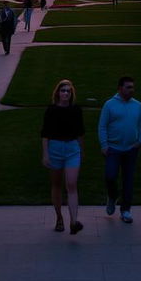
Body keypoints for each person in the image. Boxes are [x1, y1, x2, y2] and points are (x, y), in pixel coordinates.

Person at [98, 75, 141, 224]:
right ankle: (112, 196)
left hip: (131, 149)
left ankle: (125, 210)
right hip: (113, 148)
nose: (132, 90)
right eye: (128, 87)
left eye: (132, 87)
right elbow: (102, 126)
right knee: (110, 176)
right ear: (120, 88)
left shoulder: (137, 105)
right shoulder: (109, 105)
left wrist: (140, 141)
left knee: (128, 180)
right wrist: (104, 145)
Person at [41, 79, 85, 235]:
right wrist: (45, 153)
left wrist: (81, 151)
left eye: (68, 91)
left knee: (72, 184)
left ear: (71, 94)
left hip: (72, 148)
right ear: (58, 93)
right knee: (56, 185)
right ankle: (59, 217)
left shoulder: (76, 110)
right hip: (55, 149)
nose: (65, 93)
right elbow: (45, 134)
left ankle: (73, 221)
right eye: (63, 90)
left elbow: (80, 133)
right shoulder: (51, 110)